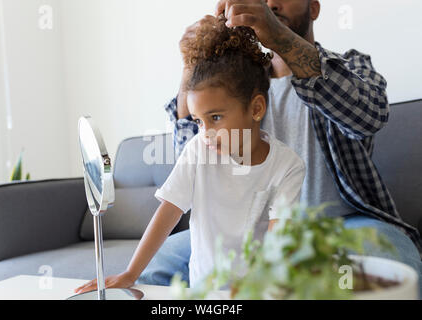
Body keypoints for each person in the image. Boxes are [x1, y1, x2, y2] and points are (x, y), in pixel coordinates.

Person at [138, 0, 422, 293]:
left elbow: (370, 117)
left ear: (313, 8)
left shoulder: (350, 67)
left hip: (342, 224)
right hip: (248, 229)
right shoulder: (238, 86)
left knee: (396, 269)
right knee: (152, 270)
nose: (271, 3)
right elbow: (192, 151)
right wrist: (196, 59)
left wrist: (278, 37)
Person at [74, 16, 305, 292]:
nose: (205, 132)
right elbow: (169, 211)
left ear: (256, 109)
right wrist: (131, 272)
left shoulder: (287, 166)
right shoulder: (199, 150)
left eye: (216, 117)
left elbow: (279, 241)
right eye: (198, 121)